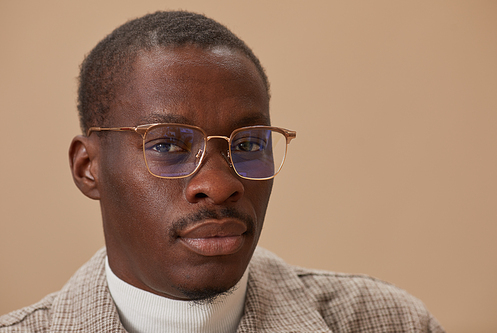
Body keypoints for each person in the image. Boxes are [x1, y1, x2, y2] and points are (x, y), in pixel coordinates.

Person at [0, 11, 444, 332]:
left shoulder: (390, 321)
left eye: (249, 144)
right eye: (167, 145)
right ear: (87, 168)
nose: (220, 185)